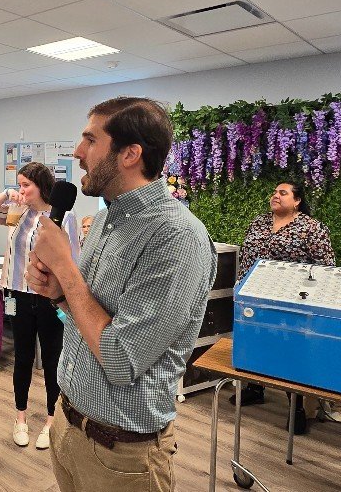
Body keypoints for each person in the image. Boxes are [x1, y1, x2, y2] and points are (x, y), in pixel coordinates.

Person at [26, 97, 214, 491]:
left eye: (90, 140)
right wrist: (60, 295)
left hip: (121, 454)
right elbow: (88, 316)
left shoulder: (177, 237)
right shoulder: (110, 216)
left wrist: (65, 268)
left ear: (131, 154)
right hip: (68, 422)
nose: (77, 152)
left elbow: (121, 359)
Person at [0, 162, 79, 450]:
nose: (21, 190)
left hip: (48, 298)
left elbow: (73, 259)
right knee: (22, 358)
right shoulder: (18, 214)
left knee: (51, 360)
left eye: (26, 185)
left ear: (41, 186)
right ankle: (20, 417)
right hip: (17, 296)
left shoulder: (63, 217)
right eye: (19, 184)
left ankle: (51, 420)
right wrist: (7, 193)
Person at [233, 181, 335, 434]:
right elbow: (247, 255)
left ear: (297, 200)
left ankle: (298, 406)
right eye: (274, 191)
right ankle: (255, 388)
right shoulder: (259, 222)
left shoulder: (312, 228)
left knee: (292, 352)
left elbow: (326, 267)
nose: (275, 196)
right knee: (256, 342)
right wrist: (240, 284)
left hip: (292, 303)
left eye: (282, 193)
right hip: (255, 297)